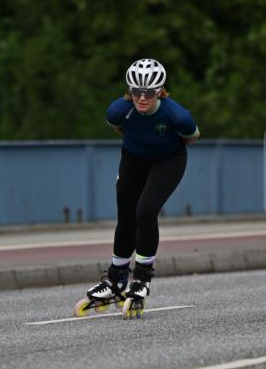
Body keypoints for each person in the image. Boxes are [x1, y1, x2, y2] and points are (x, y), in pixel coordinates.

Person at [78, 58, 200, 318]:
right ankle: (116, 279)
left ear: (160, 91)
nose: (142, 98)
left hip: (168, 160)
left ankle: (142, 278)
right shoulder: (117, 111)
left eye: (149, 93)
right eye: (136, 92)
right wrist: (141, 144)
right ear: (129, 90)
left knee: (145, 211)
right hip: (133, 158)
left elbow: (192, 137)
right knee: (126, 215)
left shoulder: (177, 115)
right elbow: (120, 128)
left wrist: (162, 146)